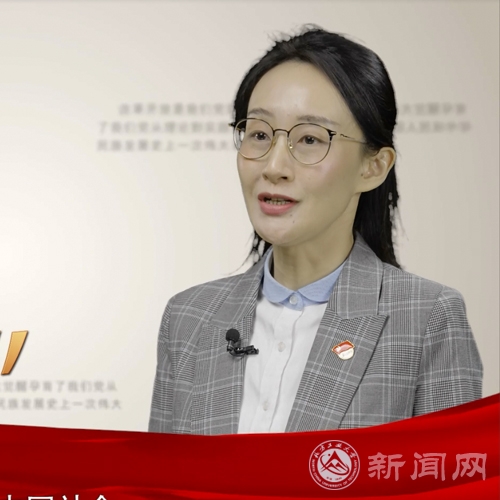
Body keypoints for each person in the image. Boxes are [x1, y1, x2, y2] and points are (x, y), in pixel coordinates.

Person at [149, 26, 483, 435]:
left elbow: (451, 470)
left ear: (373, 167)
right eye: (259, 134)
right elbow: (157, 473)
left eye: (309, 139)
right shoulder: (188, 317)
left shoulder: (426, 317)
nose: (274, 166)